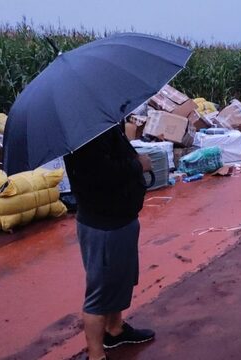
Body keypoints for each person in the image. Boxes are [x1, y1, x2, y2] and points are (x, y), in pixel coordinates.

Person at [64, 124, 154, 360]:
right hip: (104, 224)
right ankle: (96, 354)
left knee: (119, 279)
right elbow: (102, 174)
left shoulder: (104, 124)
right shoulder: (84, 133)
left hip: (120, 218)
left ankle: (115, 329)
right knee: (101, 290)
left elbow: (115, 155)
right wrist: (138, 165)